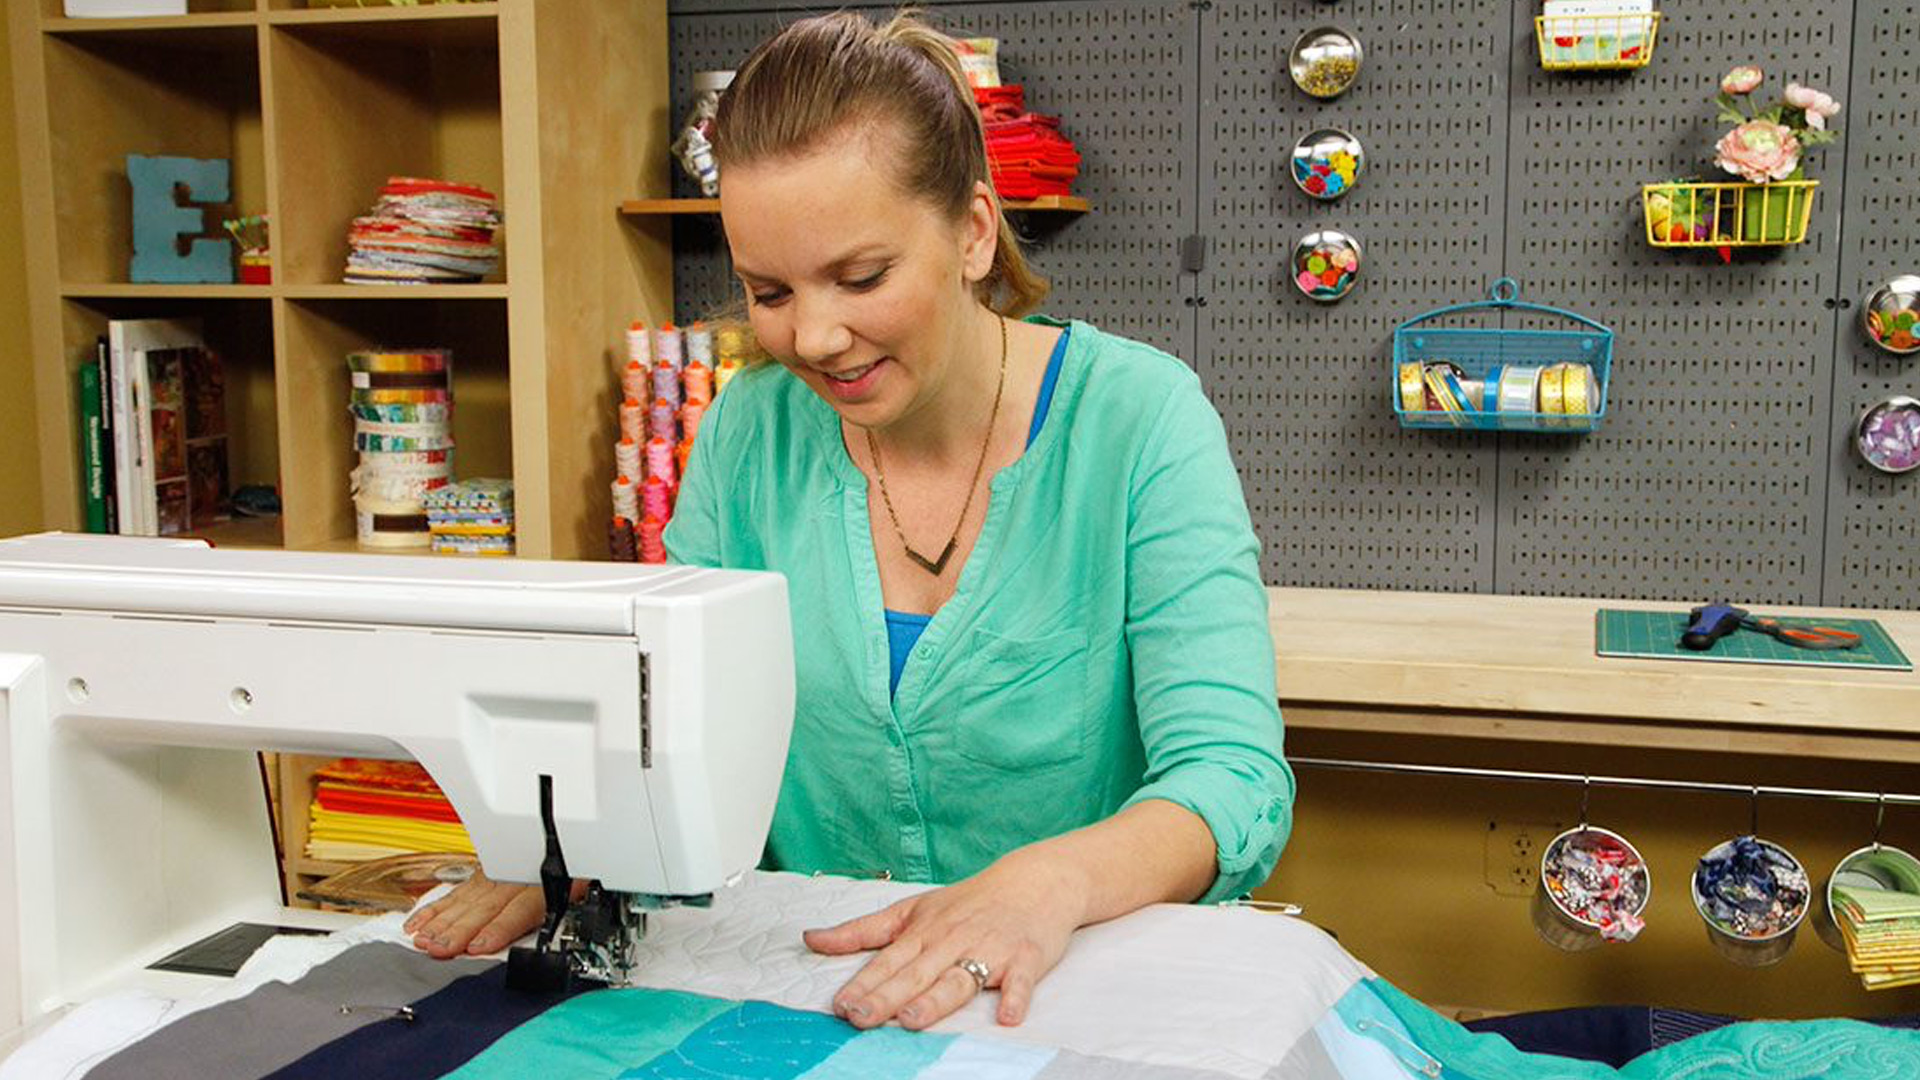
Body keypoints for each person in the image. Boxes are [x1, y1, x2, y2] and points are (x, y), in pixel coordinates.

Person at [403, 8, 1293, 1034]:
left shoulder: (1140, 419)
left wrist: (1046, 885)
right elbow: (669, 718)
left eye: (861, 278)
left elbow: (1230, 779)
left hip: (1072, 996)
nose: (815, 337)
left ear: (971, 230)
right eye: (767, 290)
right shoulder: (748, 432)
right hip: (812, 1000)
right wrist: (577, 853)